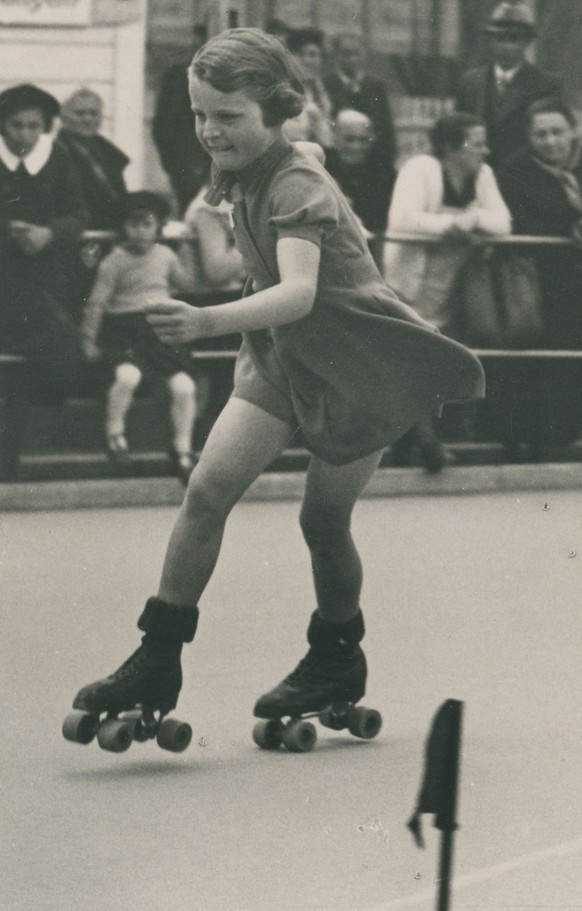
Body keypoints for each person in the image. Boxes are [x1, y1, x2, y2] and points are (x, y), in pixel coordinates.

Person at [69, 29, 484, 737]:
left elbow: (296, 291)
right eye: (201, 113)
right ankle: (157, 654)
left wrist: (206, 321)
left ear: (274, 111)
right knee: (206, 491)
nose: (209, 130)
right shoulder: (250, 162)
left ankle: (335, 658)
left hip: (356, 365)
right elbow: (303, 163)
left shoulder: (295, 183)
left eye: (228, 116)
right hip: (282, 358)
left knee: (323, 522)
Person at [385, 112, 511, 470]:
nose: (485, 151)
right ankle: (428, 444)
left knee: (435, 365)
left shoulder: (482, 175)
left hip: (452, 287)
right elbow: (404, 219)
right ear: (451, 146)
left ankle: (412, 444)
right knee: (414, 362)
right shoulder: (419, 168)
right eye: (477, 142)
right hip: (410, 285)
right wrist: (456, 224)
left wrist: (471, 221)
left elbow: (502, 223)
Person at [80, 191, 198, 484]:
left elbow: (188, 285)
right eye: (133, 225)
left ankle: (182, 449)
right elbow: (97, 303)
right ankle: (115, 435)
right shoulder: (114, 262)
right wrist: (88, 340)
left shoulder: (166, 255)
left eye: (147, 224)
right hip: (125, 330)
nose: (141, 232)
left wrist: (186, 250)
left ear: (158, 227)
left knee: (184, 386)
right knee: (128, 376)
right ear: (123, 228)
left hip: (159, 328)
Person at [495, 98, 582, 458]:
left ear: (573, 131)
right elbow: (518, 222)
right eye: (540, 134)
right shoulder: (515, 170)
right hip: (542, 279)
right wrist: (569, 227)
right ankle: (546, 439)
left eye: (557, 132)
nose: (549, 141)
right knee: (548, 357)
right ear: (529, 138)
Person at [0, 83, 86, 405]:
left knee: (61, 346)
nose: (25, 135)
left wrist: (49, 233)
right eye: (16, 125)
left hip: (42, 278)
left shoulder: (58, 156)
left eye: (34, 126)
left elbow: (78, 214)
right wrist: (10, 230)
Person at [456, 1, 562, 171]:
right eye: (500, 39)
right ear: (491, 41)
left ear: (527, 43)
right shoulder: (470, 82)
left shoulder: (546, 85)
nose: (506, 46)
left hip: (524, 177)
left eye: (514, 39)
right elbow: (458, 134)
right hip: (477, 175)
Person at [324, 109, 395, 270]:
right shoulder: (320, 165)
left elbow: (381, 224)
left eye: (364, 140)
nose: (356, 147)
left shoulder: (383, 172)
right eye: (349, 139)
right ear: (334, 138)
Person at [324, 31, 397, 185]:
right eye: (345, 54)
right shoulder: (327, 85)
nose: (351, 59)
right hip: (338, 164)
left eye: (356, 53)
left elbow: (385, 127)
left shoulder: (376, 86)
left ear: (364, 55)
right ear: (336, 56)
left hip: (371, 164)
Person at [152, 25, 211, 214]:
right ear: (199, 39)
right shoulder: (180, 75)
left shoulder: (243, 75)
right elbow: (163, 127)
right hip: (193, 169)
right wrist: (179, 169)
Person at [57, 88, 129, 231]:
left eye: (93, 113)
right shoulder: (56, 153)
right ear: (64, 117)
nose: (87, 119)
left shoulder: (108, 153)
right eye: (80, 113)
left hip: (114, 229)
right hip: (80, 230)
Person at [284, 27, 334, 148]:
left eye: (313, 55)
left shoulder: (323, 89)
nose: (307, 61)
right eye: (301, 54)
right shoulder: (283, 90)